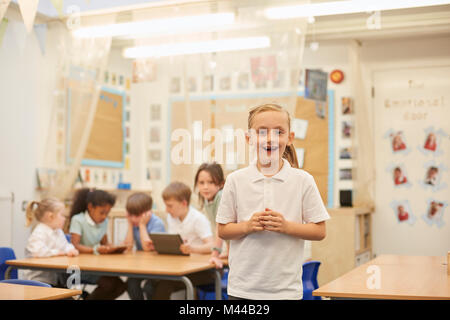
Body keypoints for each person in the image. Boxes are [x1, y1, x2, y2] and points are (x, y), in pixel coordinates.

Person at [216, 103, 330, 300]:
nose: (270, 138)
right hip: (242, 290)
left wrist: (286, 226)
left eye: (279, 131)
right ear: (248, 138)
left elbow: (319, 231)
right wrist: (247, 226)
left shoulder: (302, 180)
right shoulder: (235, 180)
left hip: (285, 292)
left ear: (290, 138)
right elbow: (223, 230)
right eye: (261, 132)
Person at [152, 182, 215, 299]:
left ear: (184, 203)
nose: (167, 210)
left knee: (164, 285)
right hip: (180, 267)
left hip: (202, 271)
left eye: (170, 206)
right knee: (150, 284)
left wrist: (192, 249)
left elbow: (213, 245)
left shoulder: (198, 219)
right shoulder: (172, 218)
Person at [68, 188, 126, 300]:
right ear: (90, 207)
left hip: (97, 265)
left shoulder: (104, 222)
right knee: (109, 284)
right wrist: (96, 250)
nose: (104, 216)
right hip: (81, 267)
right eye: (102, 212)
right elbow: (75, 246)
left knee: (122, 286)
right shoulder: (78, 220)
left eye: (107, 213)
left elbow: (105, 243)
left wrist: (114, 247)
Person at [24, 198, 79, 286]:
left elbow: (65, 246)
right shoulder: (39, 232)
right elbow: (38, 252)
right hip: (39, 281)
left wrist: (71, 250)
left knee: (74, 287)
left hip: (55, 279)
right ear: (51, 216)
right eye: (62, 215)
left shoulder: (58, 231)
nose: (65, 219)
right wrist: (59, 252)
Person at [123, 192, 166, 300]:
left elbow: (147, 248)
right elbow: (128, 247)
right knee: (131, 284)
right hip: (142, 266)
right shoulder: (133, 223)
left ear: (148, 213)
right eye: (130, 215)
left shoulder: (157, 223)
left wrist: (142, 225)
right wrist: (129, 224)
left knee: (150, 288)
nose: (133, 219)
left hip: (157, 266)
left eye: (136, 216)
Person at [194, 162, 228, 268]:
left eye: (211, 182)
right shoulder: (207, 200)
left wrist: (215, 254)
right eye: (201, 183)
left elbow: (221, 228)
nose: (205, 187)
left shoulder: (221, 196)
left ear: (221, 184)